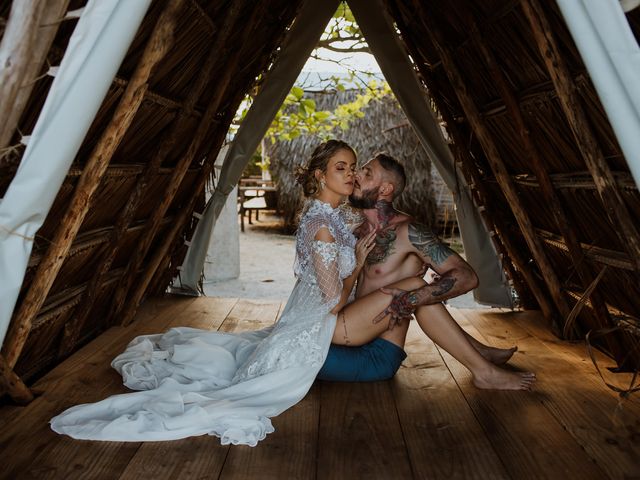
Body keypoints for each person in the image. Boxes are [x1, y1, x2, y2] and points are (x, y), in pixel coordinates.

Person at [50, 140, 370, 446]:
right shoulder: (324, 226)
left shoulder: (328, 215)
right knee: (254, 391)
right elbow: (332, 303)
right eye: (340, 167)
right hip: (313, 322)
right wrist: (357, 264)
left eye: (353, 167)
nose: (350, 174)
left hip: (303, 309)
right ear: (320, 175)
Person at [317, 152, 536, 391]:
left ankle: (484, 371)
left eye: (366, 173)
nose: (355, 175)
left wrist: (411, 299)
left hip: (378, 349)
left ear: (385, 189)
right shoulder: (356, 231)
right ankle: (477, 351)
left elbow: (467, 276)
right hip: (352, 336)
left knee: (416, 287)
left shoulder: (409, 232)